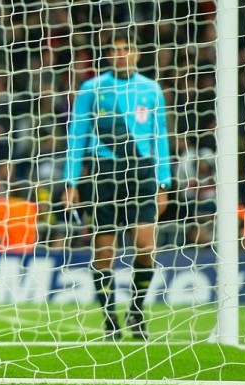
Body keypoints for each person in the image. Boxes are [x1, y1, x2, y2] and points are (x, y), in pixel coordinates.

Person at [63, 29, 171, 341]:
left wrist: (164, 182)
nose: (121, 54)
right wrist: (71, 182)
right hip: (105, 172)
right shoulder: (92, 89)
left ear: (137, 54)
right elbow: (77, 137)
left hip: (143, 170)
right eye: (116, 49)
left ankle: (137, 312)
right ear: (109, 55)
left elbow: (159, 137)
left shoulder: (151, 90)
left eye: (128, 48)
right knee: (104, 252)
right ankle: (111, 319)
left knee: (145, 244)